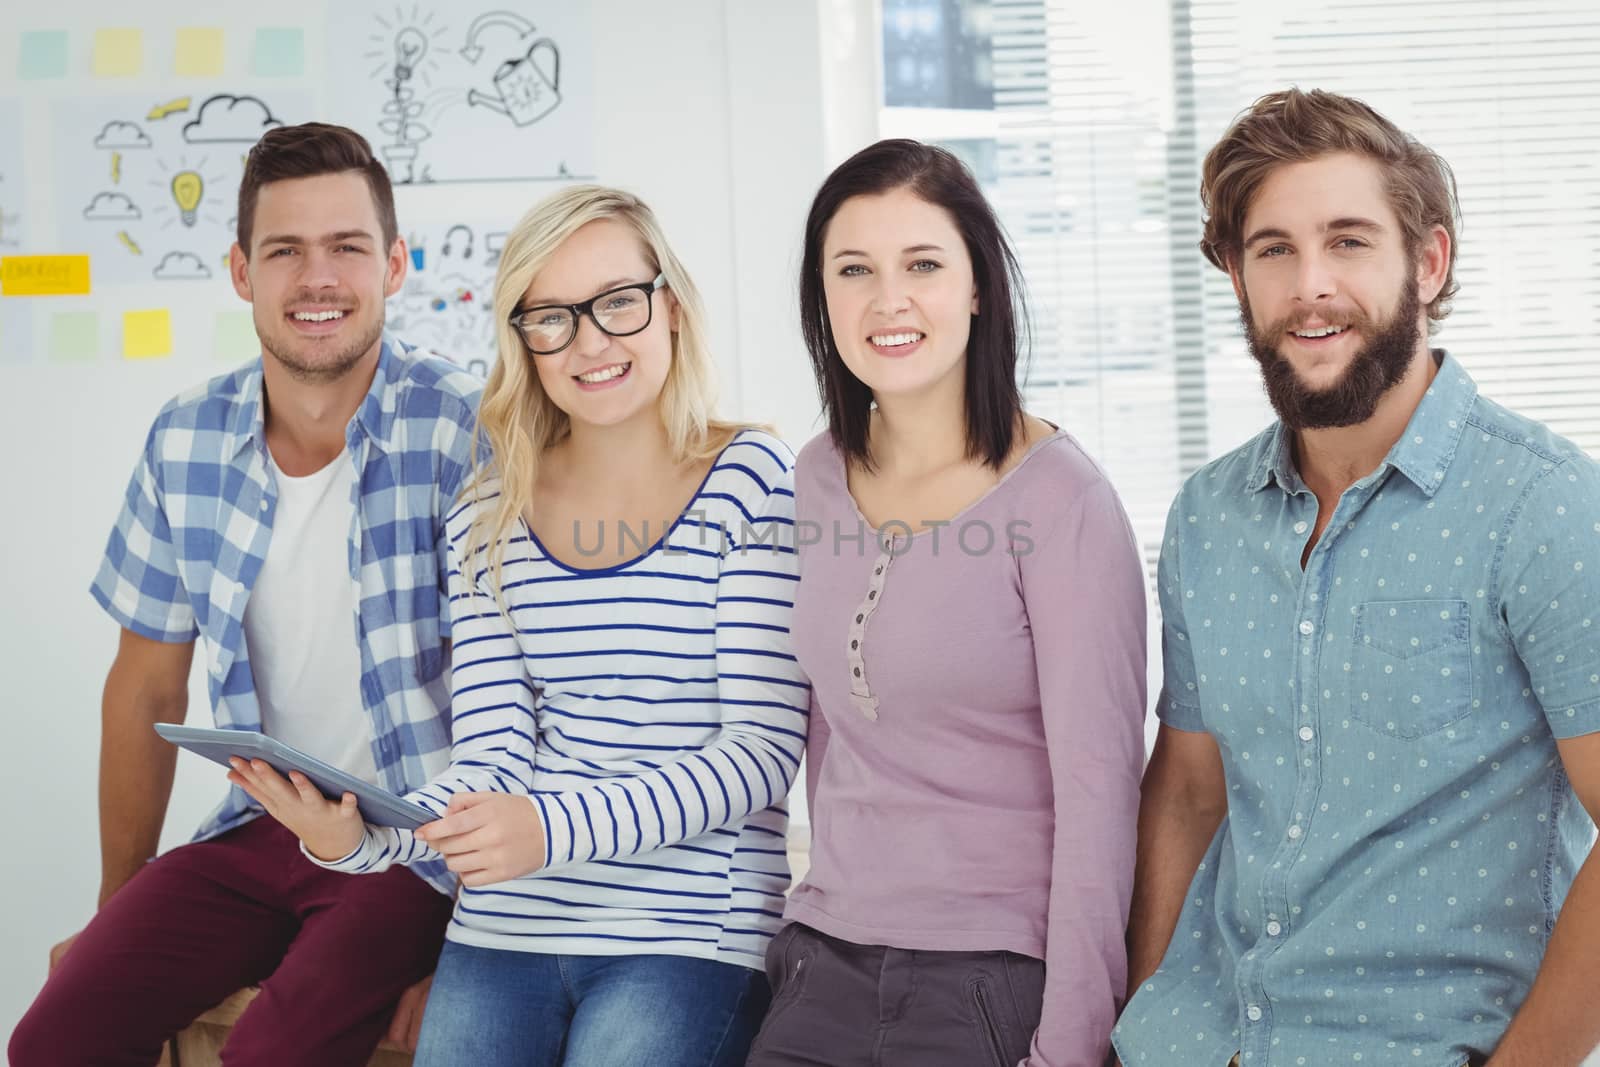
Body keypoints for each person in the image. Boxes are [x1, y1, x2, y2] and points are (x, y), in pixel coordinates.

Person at [227, 184, 804, 1067]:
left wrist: (549, 827)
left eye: (617, 302)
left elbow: (760, 756)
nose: (591, 341)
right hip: (507, 924)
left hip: (687, 933)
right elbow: (493, 755)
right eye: (552, 318)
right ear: (522, 341)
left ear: (672, 308)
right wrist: (360, 837)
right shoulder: (486, 513)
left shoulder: (751, 477)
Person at [1112, 88, 1600, 1067]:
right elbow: (1189, 793)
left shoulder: (1545, 508)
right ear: (1235, 274)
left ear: (1428, 260)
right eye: (1273, 249)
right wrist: (1141, 1012)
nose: (1309, 286)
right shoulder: (1207, 517)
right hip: (1196, 1042)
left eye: (1347, 241)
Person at [8, 123, 479, 1065]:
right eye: (285, 251)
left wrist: (481, 945)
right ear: (239, 270)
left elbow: (542, 689)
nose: (318, 278)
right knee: (50, 1040)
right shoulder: (185, 439)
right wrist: (119, 912)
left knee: (267, 1053)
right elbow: (144, 688)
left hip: (420, 853)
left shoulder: (472, 429)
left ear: (393, 265)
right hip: (266, 827)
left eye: (346, 247)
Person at [746, 138, 1148, 1067]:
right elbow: (819, 737)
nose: (889, 300)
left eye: (922, 264)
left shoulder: (1062, 500)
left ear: (977, 286)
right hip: (820, 960)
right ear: (823, 298)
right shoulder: (812, 478)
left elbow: (1101, 802)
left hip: (991, 980)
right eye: (855, 270)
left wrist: (1074, 1044)